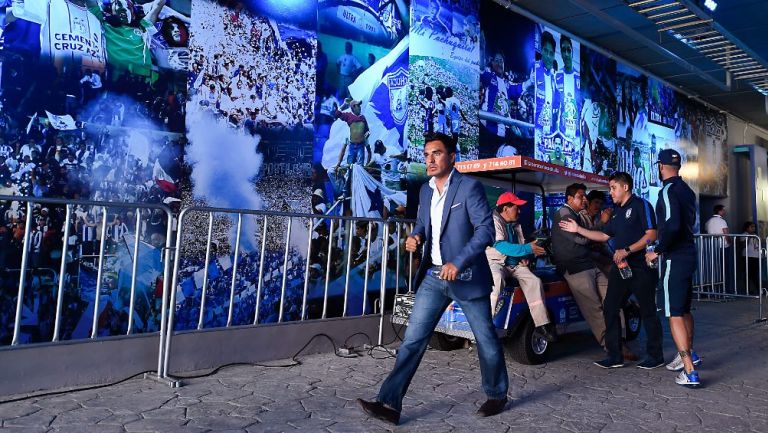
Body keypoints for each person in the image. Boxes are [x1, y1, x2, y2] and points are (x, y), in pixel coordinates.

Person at [357, 132, 508, 425]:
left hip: (466, 277)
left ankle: (497, 394)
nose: (430, 160)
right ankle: (389, 403)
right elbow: (424, 225)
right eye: (426, 155)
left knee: (486, 339)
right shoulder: (425, 191)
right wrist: (415, 237)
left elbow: (485, 231)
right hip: (433, 277)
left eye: (436, 153)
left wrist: (459, 261)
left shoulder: (469, 187)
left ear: (452, 157)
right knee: (413, 340)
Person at [559, 172, 663, 369]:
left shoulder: (642, 205)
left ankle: (655, 356)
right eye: (610, 188)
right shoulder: (615, 211)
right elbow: (604, 235)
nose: (611, 192)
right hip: (621, 268)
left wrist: (628, 250)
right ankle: (615, 356)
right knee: (610, 307)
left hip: (641, 267)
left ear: (625, 187)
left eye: (613, 188)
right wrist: (578, 230)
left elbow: (652, 235)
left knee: (648, 310)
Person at [645, 149, 701, 387]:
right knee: (685, 309)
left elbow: (673, 225)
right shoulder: (686, 190)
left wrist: (656, 250)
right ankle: (689, 355)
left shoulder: (668, 190)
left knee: (674, 313)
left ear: (660, 166)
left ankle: (689, 370)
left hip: (674, 257)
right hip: (688, 254)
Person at [486, 191, 556, 341]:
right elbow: (502, 247)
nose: (519, 210)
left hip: (514, 264)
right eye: (516, 207)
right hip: (496, 262)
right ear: (505, 208)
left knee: (535, 281)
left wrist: (526, 257)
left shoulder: (515, 224)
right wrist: (528, 249)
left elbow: (520, 246)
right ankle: (486, 324)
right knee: (496, 280)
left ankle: (542, 324)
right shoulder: (493, 221)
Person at [551, 183, 609, 349]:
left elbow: (586, 239)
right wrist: (596, 233)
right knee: (594, 306)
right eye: (580, 196)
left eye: (585, 196)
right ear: (570, 198)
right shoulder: (564, 214)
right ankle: (610, 344)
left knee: (612, 297)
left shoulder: (575, 215)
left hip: (588, 263)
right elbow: (582, 240)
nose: (584, 200)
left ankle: (619, 337)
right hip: (575, 268)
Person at [740, 221, 761, 295]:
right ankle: (748, 290)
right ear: (747, 228)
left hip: (755, 256)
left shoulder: (755, 235)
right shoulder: (744, 235)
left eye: (754, 227)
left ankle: (757, 289)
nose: (753, 228)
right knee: (748, 274)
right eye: (751, 227)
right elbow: (743, 245)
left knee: (754, 274)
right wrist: (749, 238)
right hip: (747, 256)